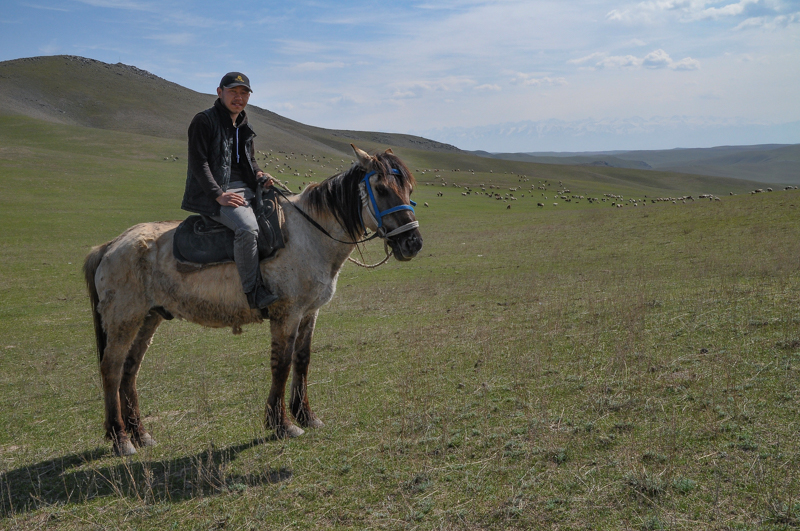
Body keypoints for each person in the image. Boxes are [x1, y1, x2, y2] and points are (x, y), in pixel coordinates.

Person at [181, 72, 278, 311]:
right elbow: (199, 163)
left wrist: (259, 175)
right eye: (233, 92)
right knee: (247, 228)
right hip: (215, 193)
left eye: (243, 93)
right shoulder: (204, 121)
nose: (239, 97)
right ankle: (253, 291)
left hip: (246, 189)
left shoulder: (243, 125)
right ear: (219, 92)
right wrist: (218, 195)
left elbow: (250, 161)